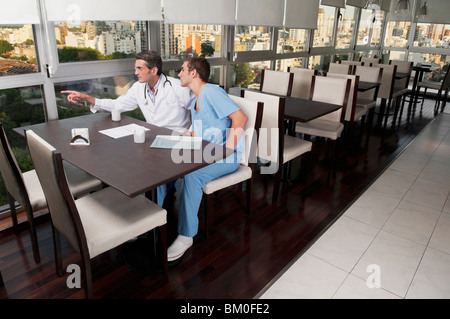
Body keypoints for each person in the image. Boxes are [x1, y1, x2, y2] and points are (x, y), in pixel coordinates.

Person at [157, 57, 248, 262]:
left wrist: (227, 150)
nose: (179, 73)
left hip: (227, 156)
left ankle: (186, 236)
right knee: (165, 166)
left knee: (192, 177)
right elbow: (202, 127)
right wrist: (189, 136)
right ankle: (154, 217)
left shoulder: (212, 92)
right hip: (204, 151)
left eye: (182, 70)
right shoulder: (194, 98)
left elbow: (240, 118)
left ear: (194, 73)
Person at [62, 50, 195, 133]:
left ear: (153, 70)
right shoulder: (139, 87)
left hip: (178, 138)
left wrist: (191, 134)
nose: (135, 72)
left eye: (139, 68)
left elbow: (199, 112)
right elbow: (117, 105)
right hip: (154, 137)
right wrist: (87, 98)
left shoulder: (178, 86)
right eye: (135, 68)